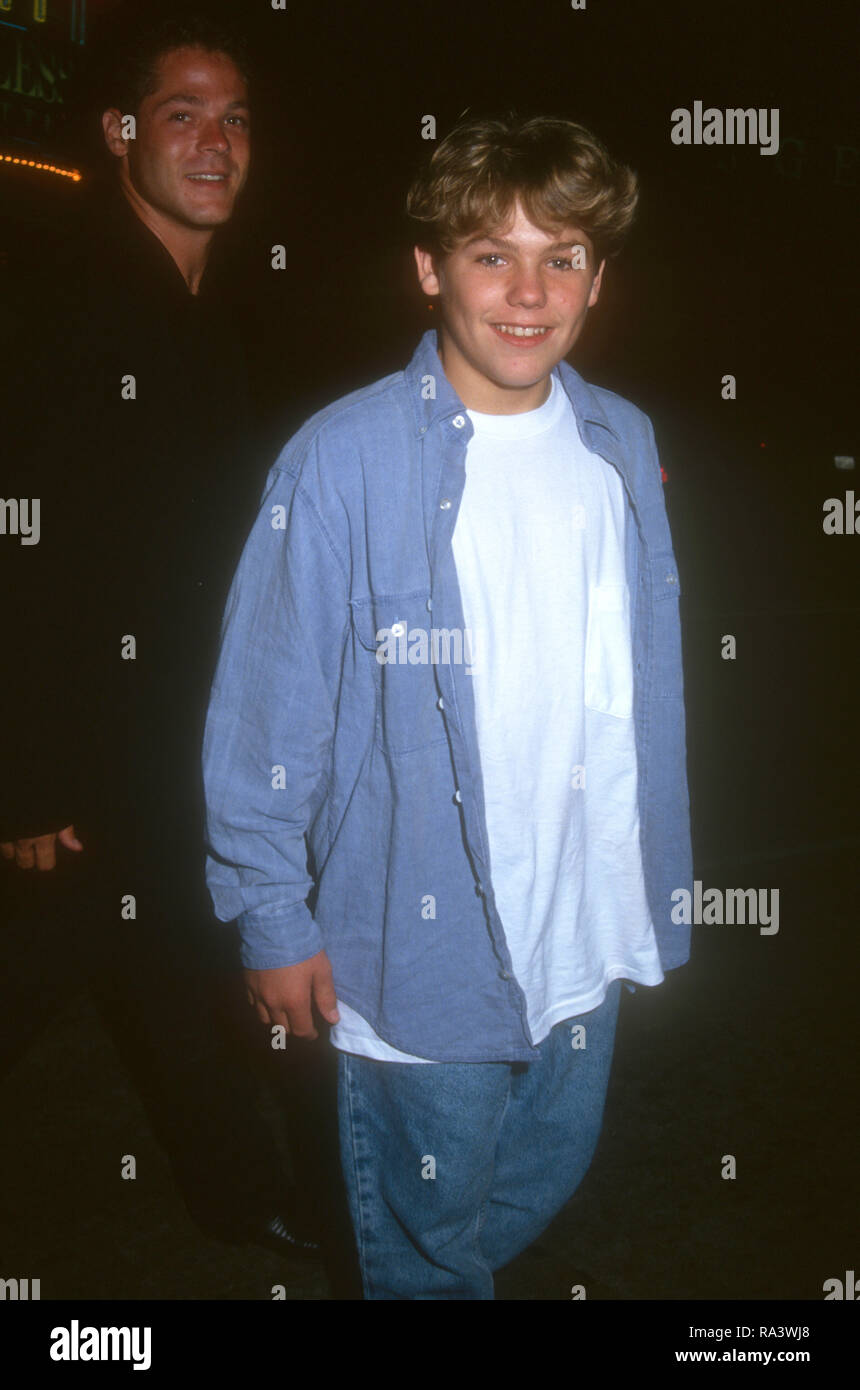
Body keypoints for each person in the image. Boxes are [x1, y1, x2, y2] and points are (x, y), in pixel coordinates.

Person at [202, 113, 694, 1299]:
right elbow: (269, 705)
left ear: (597, 277)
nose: (528, 291)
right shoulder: (341, 458)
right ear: (428, 269)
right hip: (416, 950)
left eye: (562, 255)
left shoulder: (620, 442)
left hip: (579, 920)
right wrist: (271, 911)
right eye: (490, 254)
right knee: (426, 1242)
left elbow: (634, 687)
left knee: (538, 1172)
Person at [0, 12, 345, 1270]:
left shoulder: (206, 310)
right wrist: (30, 775)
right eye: (184, 112)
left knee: (173, 965)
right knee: (80, 958)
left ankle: (251, 1190)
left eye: (235, 115)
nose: (215, 140)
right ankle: (269, 1191)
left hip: (165, 740)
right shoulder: (68, 299)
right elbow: (24, 546)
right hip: (83, 754)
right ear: (119, 134)